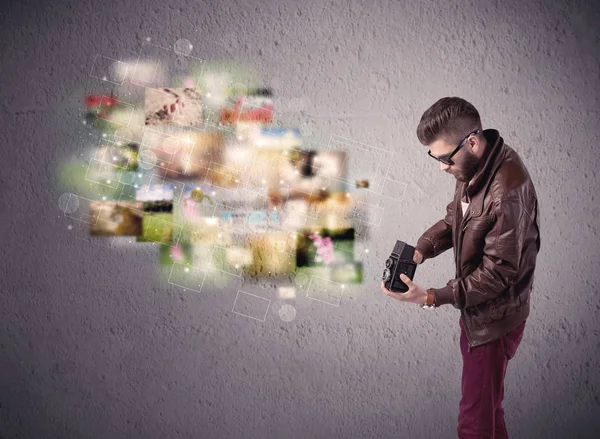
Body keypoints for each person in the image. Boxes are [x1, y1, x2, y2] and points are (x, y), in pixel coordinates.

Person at [380, 97, 541, 438]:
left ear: (471, 141)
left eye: (443, 158)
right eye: (434, 157)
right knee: (489, 412)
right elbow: (458, 216)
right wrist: (422, 250)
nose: (440, 167)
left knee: (474, 424)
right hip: (479, 311)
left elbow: (498, 274)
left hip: (492, 321)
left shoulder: (507, 190)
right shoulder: (473, 165)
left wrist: (431, 297)